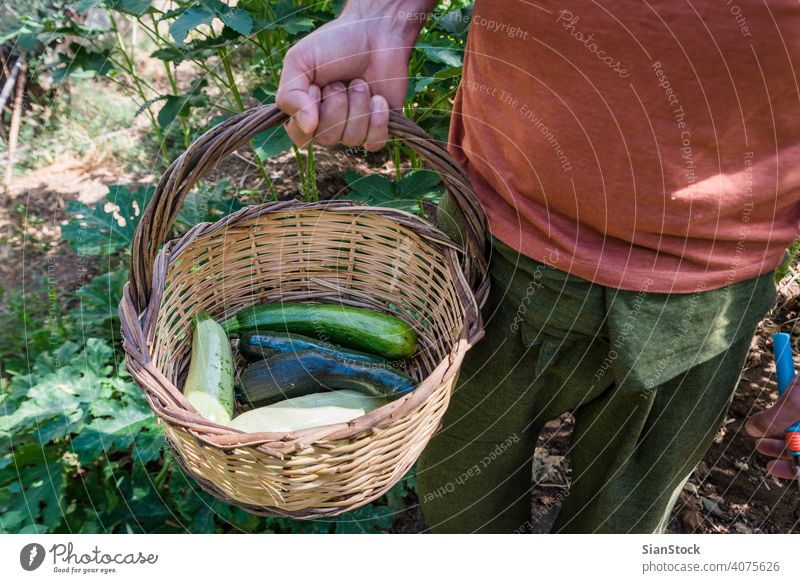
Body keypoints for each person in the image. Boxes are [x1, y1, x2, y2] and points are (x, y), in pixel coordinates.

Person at [275, 1, 800, 533]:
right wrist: (384, 14)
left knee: (620, 533)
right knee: (463, 508)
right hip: (490, 239)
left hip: (705, 293)